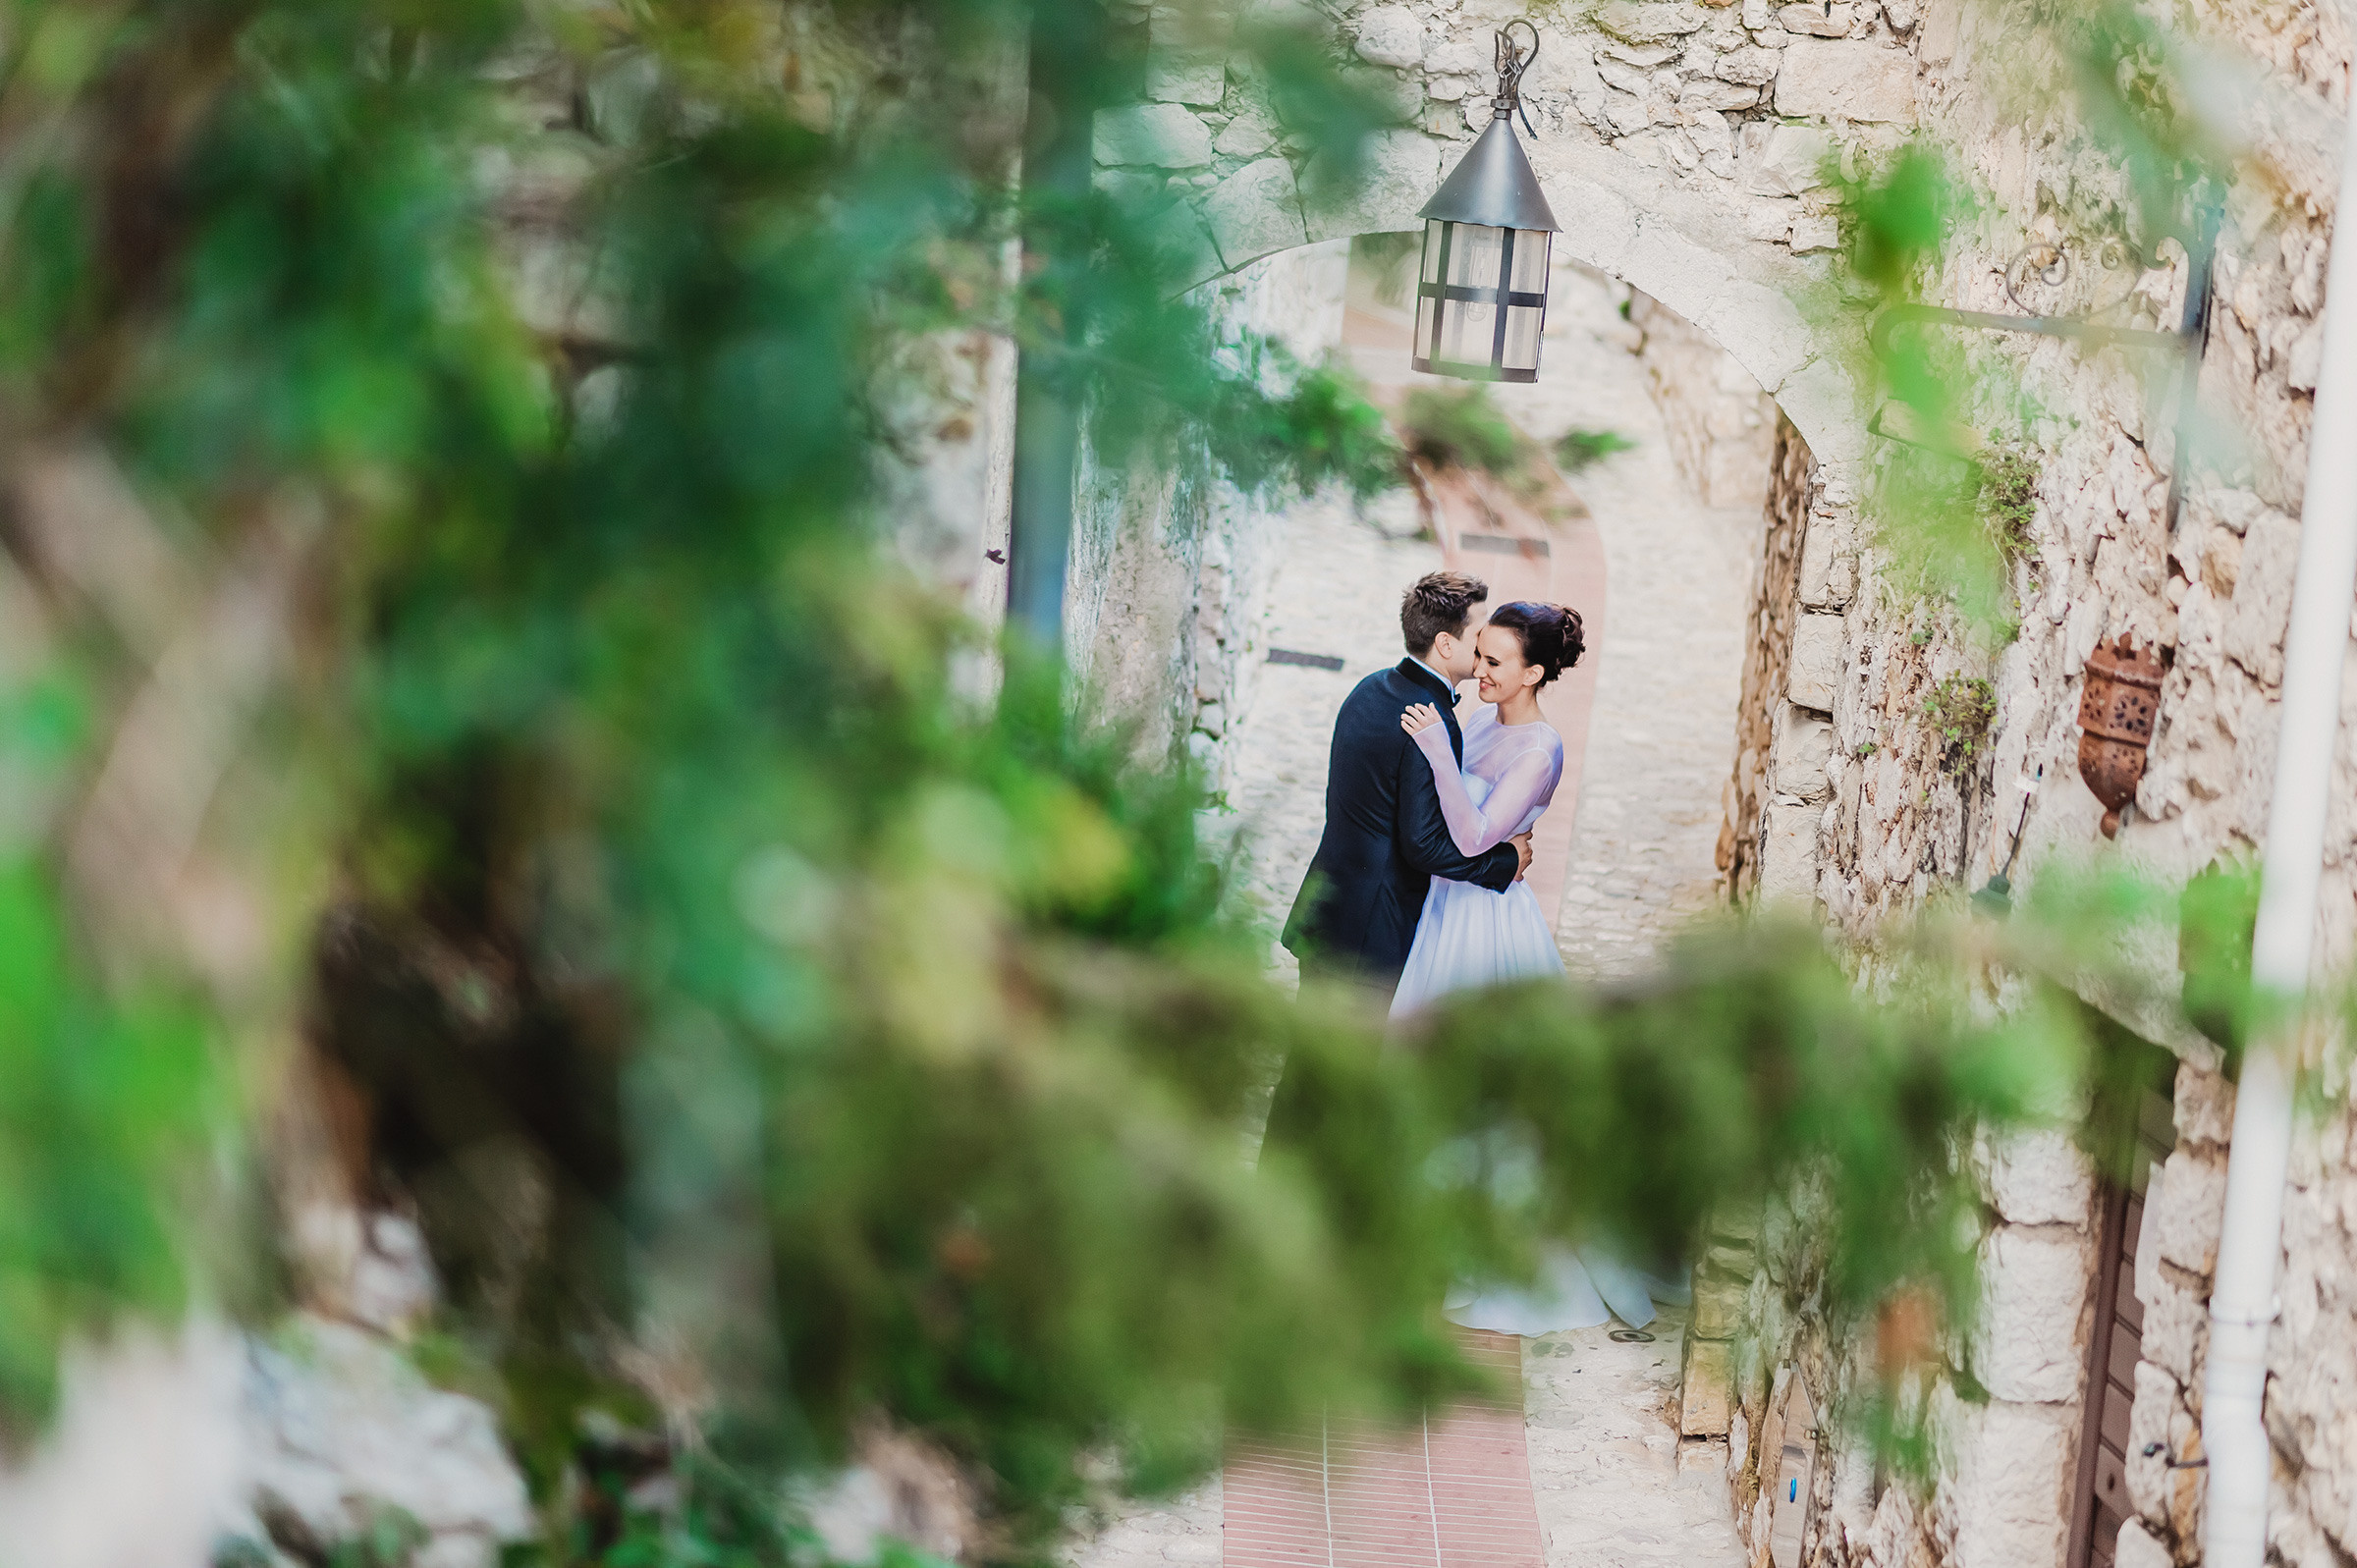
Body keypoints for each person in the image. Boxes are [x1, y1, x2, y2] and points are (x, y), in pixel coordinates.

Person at [1390, 597, 1675, 1334]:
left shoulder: (1539, 750)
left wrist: (1433, 755)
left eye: (1493, 663)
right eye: (1477, 655)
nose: (1476, 671)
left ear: (1535, 673)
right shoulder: (1481, 720)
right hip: (1448, 911)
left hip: (1488, 925)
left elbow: (1479, 831)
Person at [1278, 571, 1533, 1000]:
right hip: (1371, 931)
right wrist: (1504, 862)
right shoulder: (1430, 720)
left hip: (1328, 905)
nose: (1485, 641)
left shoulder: (1371, 687)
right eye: (1478, 631)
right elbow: (1423, 845)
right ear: (1446, 644)